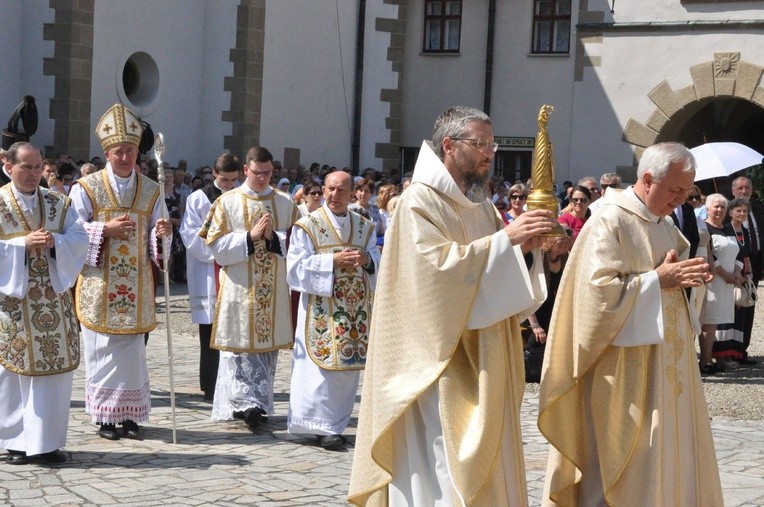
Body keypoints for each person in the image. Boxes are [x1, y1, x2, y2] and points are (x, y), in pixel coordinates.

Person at [348, 106, 555, 505]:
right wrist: (505, 242)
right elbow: (432, 276)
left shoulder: (482, 206)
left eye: (490, 145)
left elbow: (495, 265)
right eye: (479, 144)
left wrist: (524, 250)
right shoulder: (418, 204)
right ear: (449, 145)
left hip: (486, 354)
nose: (488, 154)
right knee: (441, 469)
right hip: (436, 362)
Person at [539, 142, 722, 506]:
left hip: (664, 367)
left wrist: (689, 277)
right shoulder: (609, 220)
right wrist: (658, 280)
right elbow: (596, 296)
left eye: (687, 190)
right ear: (648, 178)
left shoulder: (666, 224)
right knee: (621, 460)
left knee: (663, 453)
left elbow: (672, 282)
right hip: (620, 370)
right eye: (676, 190)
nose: (683, 199)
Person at [69, 103, 172, 441]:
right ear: (107, 153)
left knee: (132, 356)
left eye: (129, 151)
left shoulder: (151, 189)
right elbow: (69, 231)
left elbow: (161, 235)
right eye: (118, 152)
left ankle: (130, 416)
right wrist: (103, 229)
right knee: (101, 352)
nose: (125, 157)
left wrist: (162, 235)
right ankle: (105, 418)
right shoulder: (86, 188)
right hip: (100, 285)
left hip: (136, 283)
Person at [199, 146, 298, 431]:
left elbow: (299, 243)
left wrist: (274, 238)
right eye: (258, 173)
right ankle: (243, 404)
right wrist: (250, 237)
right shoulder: (227, 202)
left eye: (268, 173)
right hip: (240, 287)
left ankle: (260, 401)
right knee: (240, 348)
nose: (263, 179)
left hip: (273, 289)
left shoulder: (285, 203)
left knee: (265, 349)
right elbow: (215, 247)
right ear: (246, 170)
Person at [0, 142, 87, 465]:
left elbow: (80, 238)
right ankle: (16, 443)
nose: (34, 174)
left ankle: (47, 443)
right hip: (14, 307)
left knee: (53, 378)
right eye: (26, 167)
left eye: (38, 167)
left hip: (53, 303)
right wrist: (21, 244)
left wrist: (57, 243)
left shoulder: (57, 203)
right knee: (13, 377)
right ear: (8, 166)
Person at [286, 170, 380, 450]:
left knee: (345, 373)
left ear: (352, 193)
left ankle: (336, 423)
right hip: (321, 311)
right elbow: (294, 269)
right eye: (330, 189)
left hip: (354, 312)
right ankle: (319, 425)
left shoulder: (364, 226)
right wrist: (332, 261)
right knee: (319, 372)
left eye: (341, 190)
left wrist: (366, 258)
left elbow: (377, 257)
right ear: (322, 190)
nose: (334, 195)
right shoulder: (307, 225)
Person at [180, 153, 241, 402]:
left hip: (235, 269)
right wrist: (220, 249)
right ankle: (211, 385)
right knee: (210, 333)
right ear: (214, 173)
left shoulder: (240, 197)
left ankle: (234, 386)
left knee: (235, 332)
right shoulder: (199, 198)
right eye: (225, 180)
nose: (229, 185)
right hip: (209, 271)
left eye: (233, 180)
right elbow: (190, 233)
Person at [713, 197, 752, 368]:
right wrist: (734, 274)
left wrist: (746, 273)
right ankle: (721, 354)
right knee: (725, 316)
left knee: (739, 317)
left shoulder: (745, 232)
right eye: (738, 210)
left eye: (744, 211)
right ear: (730, 212)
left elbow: (746, 255)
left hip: (741, 275)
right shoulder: (726, 229)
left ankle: (735, 352)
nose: (742, 214)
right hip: (726, 275)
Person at [703, 194, 739, 373]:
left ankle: (717, 356)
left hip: (729, 281)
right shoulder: (704, 227)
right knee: (709, 321)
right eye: (716, 206)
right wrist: (724, 275)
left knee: (719, 321)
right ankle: (706, 360)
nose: (719, 210)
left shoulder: (728, 228)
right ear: (707, 208)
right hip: (714, 280)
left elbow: (737, 251)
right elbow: (709, 254)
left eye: (722, 207)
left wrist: (738, 272)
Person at [730, 175, 762, 365]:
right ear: (733, 191)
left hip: (755, 265)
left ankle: (742, 350)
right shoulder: (726, 209)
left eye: (747, 188)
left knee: (749, 304)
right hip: (733, 263)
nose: (744, 191)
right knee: (732, 306)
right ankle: (728, 349)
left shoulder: (758, 209)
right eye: (740, 188)